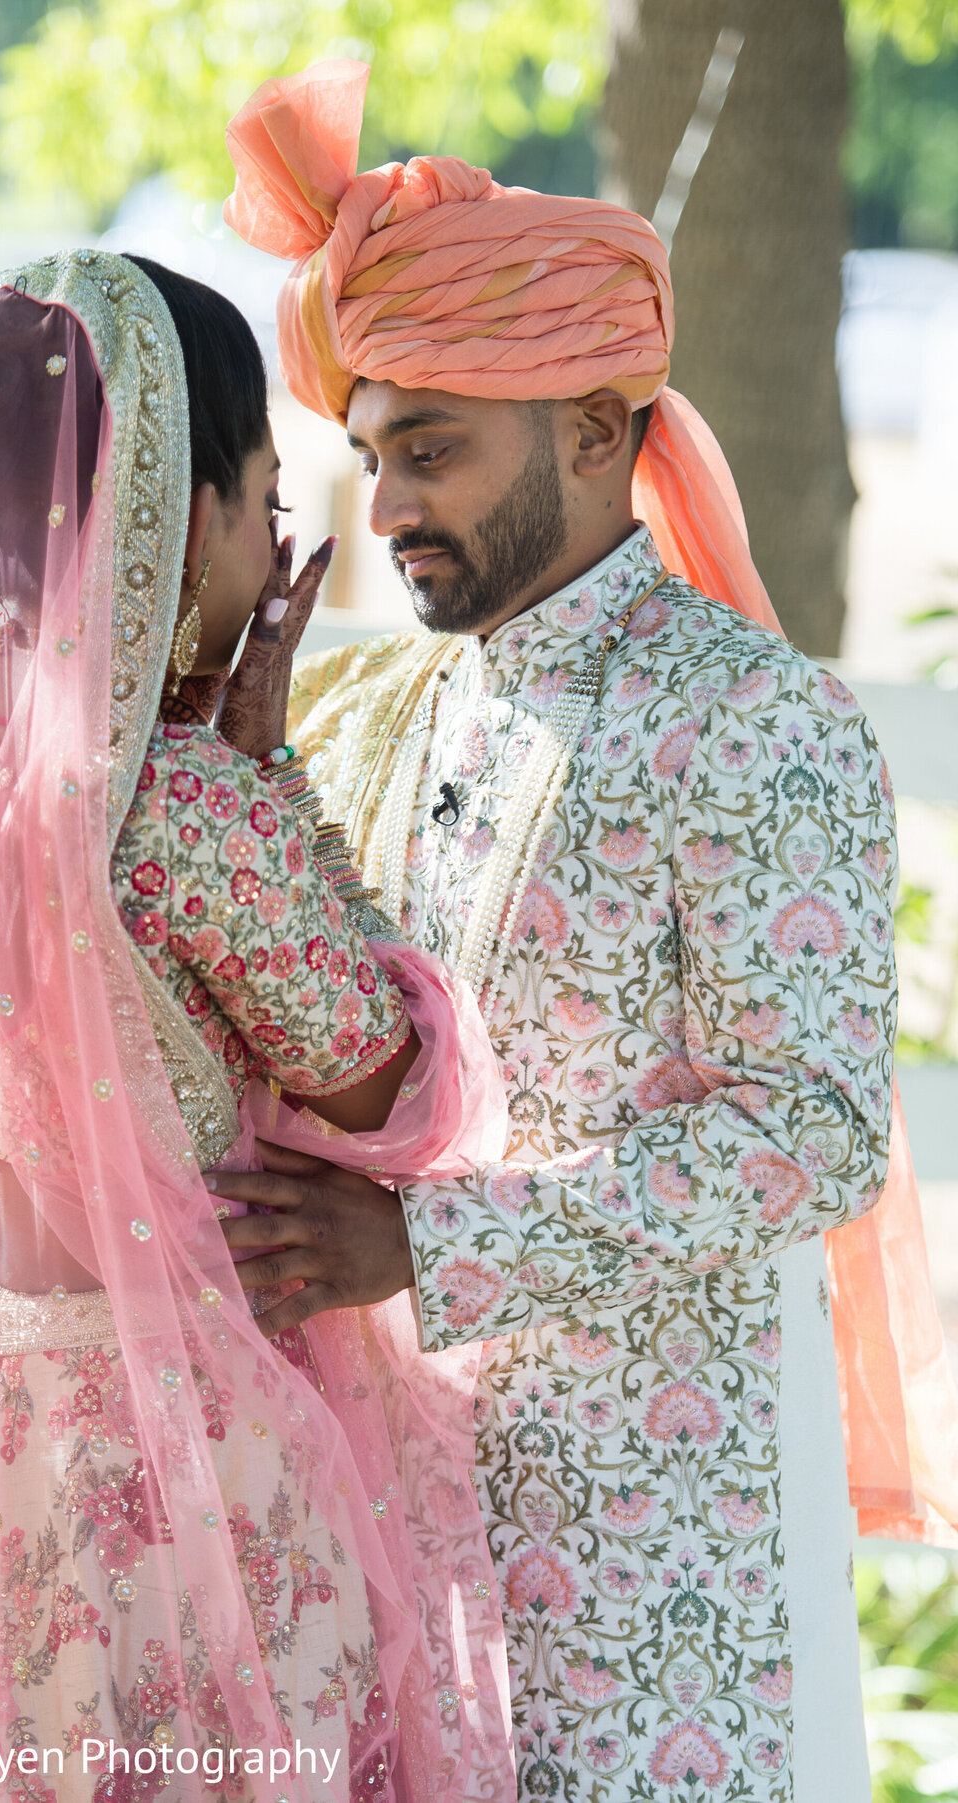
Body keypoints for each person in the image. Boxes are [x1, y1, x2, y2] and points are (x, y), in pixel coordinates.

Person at [211, 59, 958, 1803]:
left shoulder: (752, 720)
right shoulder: (394, 704)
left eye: (434, 451)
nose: (386, 505)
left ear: (602, 432)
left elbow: (818, 1130)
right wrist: (246, 779)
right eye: (373, 452)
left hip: (660, 1541)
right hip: (409, 1496)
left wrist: (431, 1250)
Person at [0, 249, 516, 1802]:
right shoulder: (189, 812)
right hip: (163, 1466)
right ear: (179, 507)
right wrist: (274, 772)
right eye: (263, 498)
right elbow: (394, 1092)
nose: (276, 539)